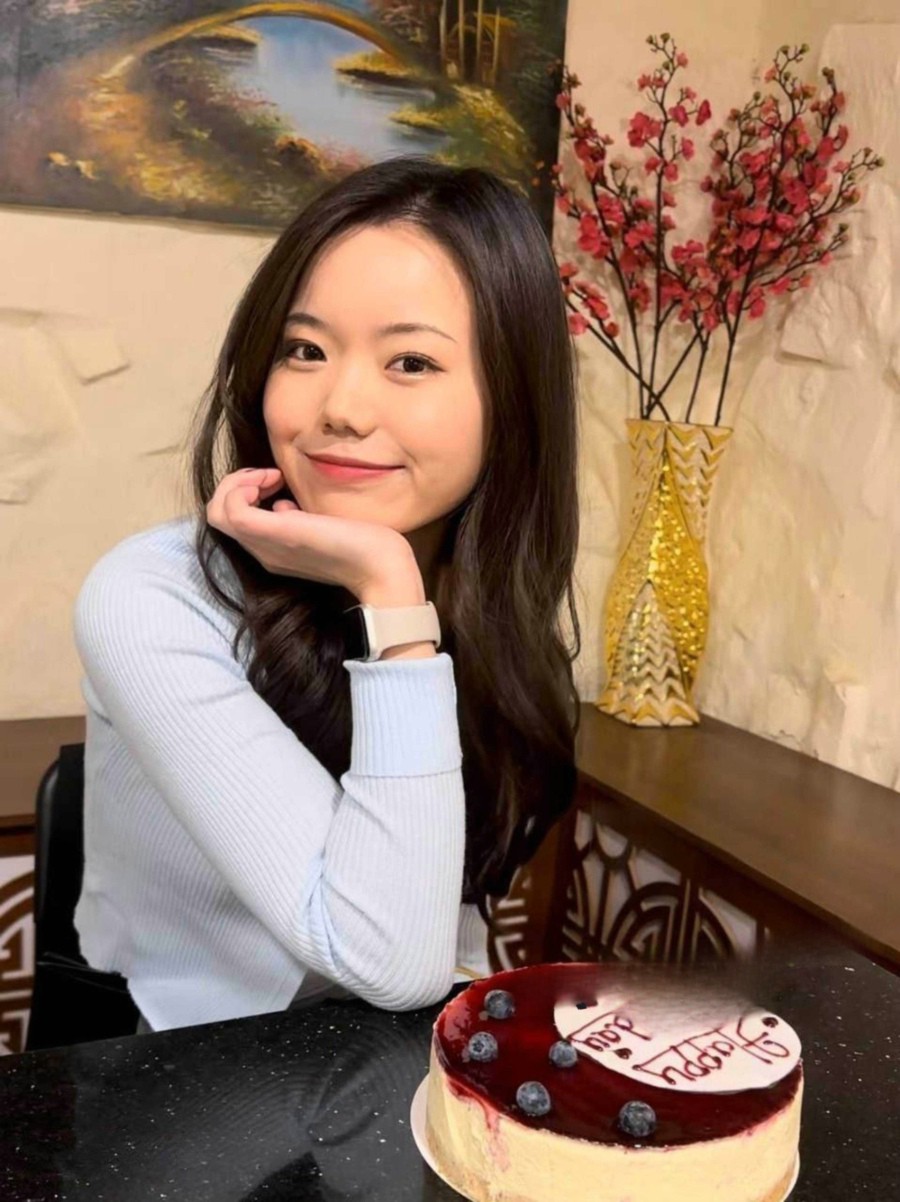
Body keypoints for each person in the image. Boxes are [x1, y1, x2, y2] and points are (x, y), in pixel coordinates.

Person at [72, 154, 583, 1034]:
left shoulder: (488, 590)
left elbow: (445, 925)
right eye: (304, 350)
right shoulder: (149, 597)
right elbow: (389, 959)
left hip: (386, 1053)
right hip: (174, 1053)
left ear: (513, 398)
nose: (340, 407)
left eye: (411, 361)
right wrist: (389, 591)